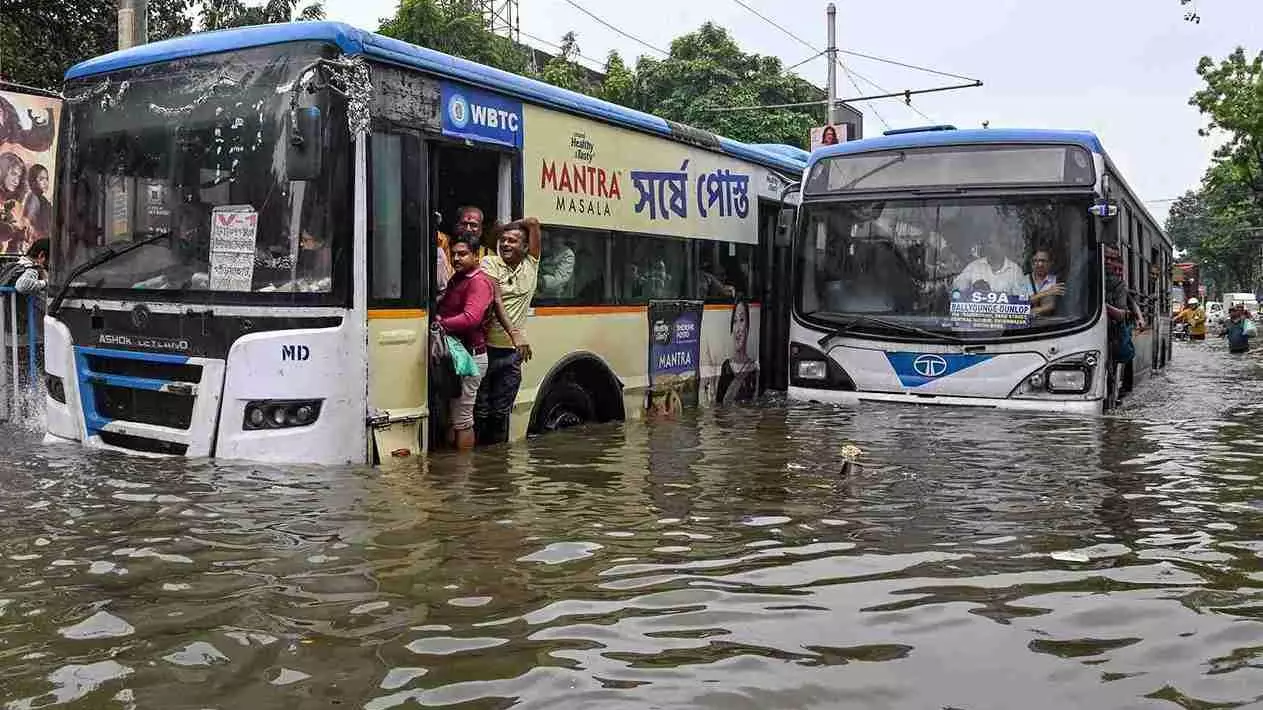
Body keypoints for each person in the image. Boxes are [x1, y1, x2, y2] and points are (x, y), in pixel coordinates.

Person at [475, 218, 541, 446]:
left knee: (501, 413)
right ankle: (477, 469)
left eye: (513, 241)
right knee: (480, 412)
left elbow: (533, 223)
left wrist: (513, 224)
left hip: (511, 356)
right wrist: (515, 333)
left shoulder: (531, 264)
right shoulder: (489, 263)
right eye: (503, 240)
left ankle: (497, 470)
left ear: (525, 248)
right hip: (484, 351)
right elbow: (496, 298)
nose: (506, 244)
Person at [435, 235, 495, 451]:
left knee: (462, 419)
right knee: (452, 418)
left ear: (476, 255)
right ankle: (453, 473)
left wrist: (440, 324)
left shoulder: (478, 282)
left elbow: (471, 317)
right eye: (454, 254)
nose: (457, 258)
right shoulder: (457, 279)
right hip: (455, 355)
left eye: (463, 254)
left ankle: (464, 472)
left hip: (469, 358)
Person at [953, 233, 1026, 295]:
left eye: (991, 243)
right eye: (988, 243)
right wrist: (973, 288)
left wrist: (1003, 297)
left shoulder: (1015, 271)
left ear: (1002, 246)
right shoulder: (974, 266)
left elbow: (1021, 299)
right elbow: (957, 288)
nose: (988, 246)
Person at [715, 300, 757, 404]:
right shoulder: (726, 367)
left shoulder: (754, 370)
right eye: (734, 321)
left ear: (747, 328)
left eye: (742, 320)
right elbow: (719, 406)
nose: (738, 328)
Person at [1024, 248, 1065, 316]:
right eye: (1035, 261)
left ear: (1051, 263)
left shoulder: (1057, 281)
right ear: (1031, 264)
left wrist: (1033, 309)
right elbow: (1019, 304)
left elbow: (1055, 306)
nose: (1040, 264)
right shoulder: (1022, 281)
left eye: (1043, 261)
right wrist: (1047, 293)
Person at [538, 231, 575, 298]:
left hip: (554, 299)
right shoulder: (541, 250)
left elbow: (558, 282)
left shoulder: (567, 254)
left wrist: (537, 282)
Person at [22, 164, 52, 240]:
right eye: (41, 179)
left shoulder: (42, 199)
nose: (45, 183)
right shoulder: (34, 197)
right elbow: (27, 222)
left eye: (46, 179)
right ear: (33, 182)